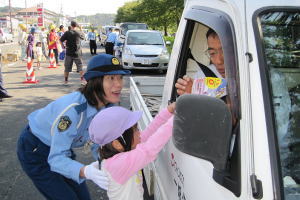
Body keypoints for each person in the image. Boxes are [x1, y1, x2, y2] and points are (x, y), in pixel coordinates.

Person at [17, 54, 131, 200]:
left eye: (120, 77)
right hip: (36, 149)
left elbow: (99, 143)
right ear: (95, 82)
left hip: (62, 148)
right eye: (111, 78)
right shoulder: (73, 110)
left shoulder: (107, 108)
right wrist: (87, 171)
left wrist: (111, 165)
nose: (119, 84)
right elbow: (57, 158)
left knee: (83, 196)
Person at [88, 103, 175, 200]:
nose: (139, 132)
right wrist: (177, 119)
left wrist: (168, 111)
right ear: (117, 144)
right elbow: (150, 148)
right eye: (135, 130)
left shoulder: (120, 155)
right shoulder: (120, 164)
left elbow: (148, 133)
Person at [175, 28, 225, 95]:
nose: (219, 61)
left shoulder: (243, 76)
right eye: (212, 53)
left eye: (225, 52)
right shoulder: (202, 77)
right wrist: (191, 96)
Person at [60, 21, 85, 85]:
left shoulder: (67, 32)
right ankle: (82, 81)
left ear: (71, 25)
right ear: (76, 26)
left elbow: (60, 40)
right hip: (77, 53)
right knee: (80, 67)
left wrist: (63, 46)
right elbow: (83, 37)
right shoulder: (78, 32)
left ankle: (66, 81)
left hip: (69, 53)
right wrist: (81, 29)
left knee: (67, 68)